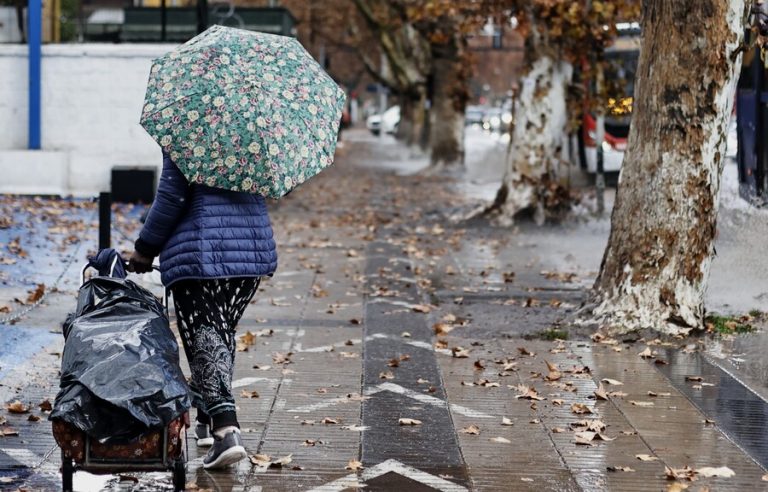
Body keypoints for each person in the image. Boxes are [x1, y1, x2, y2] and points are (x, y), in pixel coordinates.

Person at [127, 152, 278, 469]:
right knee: (219, 337)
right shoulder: (258, 130)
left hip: (201, 249)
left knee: (205, 339)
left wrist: (144, 249)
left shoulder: (189, 131)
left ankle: (227, 432)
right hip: (251, 250)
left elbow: (172, 196)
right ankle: (206, 420)